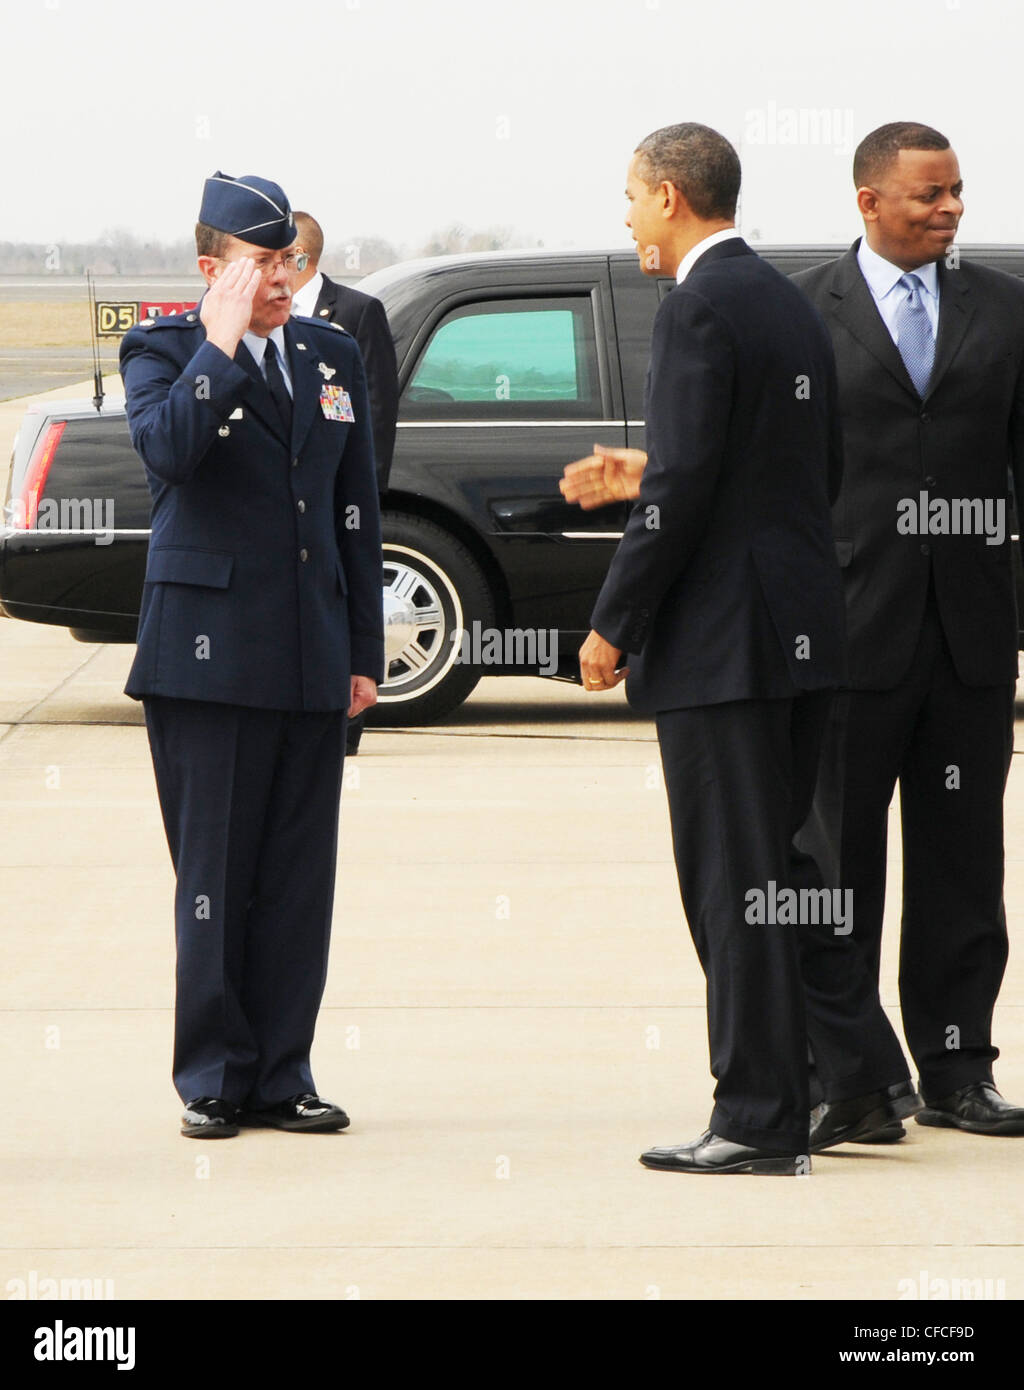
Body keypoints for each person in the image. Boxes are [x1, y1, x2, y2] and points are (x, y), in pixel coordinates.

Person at [562, 124, 918, 1175]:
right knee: (789, 873)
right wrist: (658, 469)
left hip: (727, 654)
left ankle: (757, 1114)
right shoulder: (783, 301)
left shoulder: (695, 307)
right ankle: (855, 1082)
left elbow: (680, 497)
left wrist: (611, 623)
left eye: (628, 195)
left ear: (669, 196)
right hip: (802, 637)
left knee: (733, 888)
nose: (622, 214)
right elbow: (798, 467)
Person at [119, 171, 384, 1138]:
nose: (282, 278)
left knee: (296, 879)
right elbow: (170, 453)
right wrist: (222, 346)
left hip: (312, 654)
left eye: (289, 260)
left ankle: (284, 1072)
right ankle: (213, 1077)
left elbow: (357, 509)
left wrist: (363, 649)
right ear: (211, 268)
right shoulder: (164, 348)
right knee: (214, 880)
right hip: (208, 658)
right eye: (262, 262)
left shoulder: (330, 353)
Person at [792, 123, 1024, 1138]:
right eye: (927, 195)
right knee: (833, 863)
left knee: (961, 863)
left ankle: (955, 1067)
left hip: (970, 636)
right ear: (866, 202)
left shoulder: (1003, 309)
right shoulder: (805, 312)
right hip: (845, 634)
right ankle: (851, 1067)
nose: (949, 210)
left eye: (956, 192)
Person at [287, 213, 397, 756]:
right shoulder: (259, 322)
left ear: (301, 259)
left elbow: (375, 414)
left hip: (338, 505)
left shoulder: (355, 313)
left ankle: (346, 718)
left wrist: (359, 502)